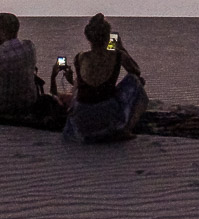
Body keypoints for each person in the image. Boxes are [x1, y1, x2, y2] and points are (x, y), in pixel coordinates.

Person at [58, 14, 147, 143]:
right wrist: (121, 48)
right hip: (106, 112)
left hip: (81, 116)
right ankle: (126, 129)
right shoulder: (117, 55)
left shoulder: (80, 57)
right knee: (135, 81)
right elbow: (136, 71)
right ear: (107, 37)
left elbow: (83, 84)